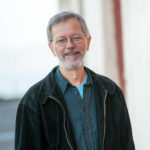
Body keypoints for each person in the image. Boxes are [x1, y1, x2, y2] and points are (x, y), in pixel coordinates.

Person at [15, 11, 135, 150]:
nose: (70, 45)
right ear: (52, 48)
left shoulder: (111, 92)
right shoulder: (33, 102)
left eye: (76, 37)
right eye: (61, 40)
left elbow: (127, 145)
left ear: (87, 41)